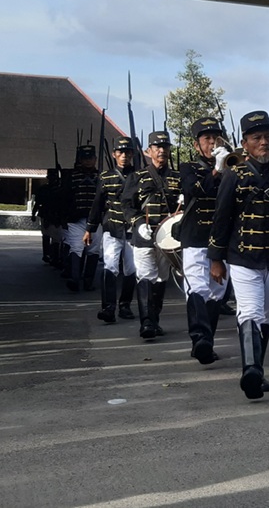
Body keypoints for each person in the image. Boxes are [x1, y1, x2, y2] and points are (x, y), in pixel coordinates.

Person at [209, 110, 269, 399]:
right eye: (257, 138)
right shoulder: (233, 175)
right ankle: (250, 370)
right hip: (244, 257)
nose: (264, 142)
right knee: (249, 311)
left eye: (268, 137)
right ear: (245, 143)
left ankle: (257, 369)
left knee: (267, 316)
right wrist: (215, 258)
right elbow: (221, 217)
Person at [179, 117, 231, 365]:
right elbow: (196, 190)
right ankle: (201, 339)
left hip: (222, 239)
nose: (212, 143)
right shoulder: (188, 168)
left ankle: (205, 341)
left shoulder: (232, 166)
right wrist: (217, 170)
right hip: (196, 237)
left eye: (216, 138)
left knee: (217, 292)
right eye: (207, 139)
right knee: (197, 288)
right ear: (196, 144)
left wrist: (227, 167)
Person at [121, 131, 181, 340]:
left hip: (167, 237)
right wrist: (137, 223)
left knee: (161, 278)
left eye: (165, 147)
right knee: (145, 275)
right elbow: (127, 205)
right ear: (149, 152)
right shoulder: (136, 177)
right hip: (144, 235)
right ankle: (146, 322)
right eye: (157, 147)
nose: (161, 151)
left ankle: (154, 319)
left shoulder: (177, 177)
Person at [86, 137, 137, 323]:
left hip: (132, 229)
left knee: (132, 268)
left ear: (132, 155)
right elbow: (97, 204)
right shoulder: (105, 177)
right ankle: (108, 307)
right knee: (110, 267)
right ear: (114, 154)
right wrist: (90, 229)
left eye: (128, 153)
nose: (124, 156)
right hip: (112, 228)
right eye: (120, 152)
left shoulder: (138, 176)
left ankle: (125, 305)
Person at [63, 145, 102, 292]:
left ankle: (88, 282)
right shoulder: (72, 176)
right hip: (76, 219)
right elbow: (64, 197)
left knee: (93, 250)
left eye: (90, 158)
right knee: (76, 248)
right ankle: (74, 278)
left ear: (95, 159)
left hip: (95, 220)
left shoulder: (101, 177)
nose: (88, 161)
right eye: (85, 158)